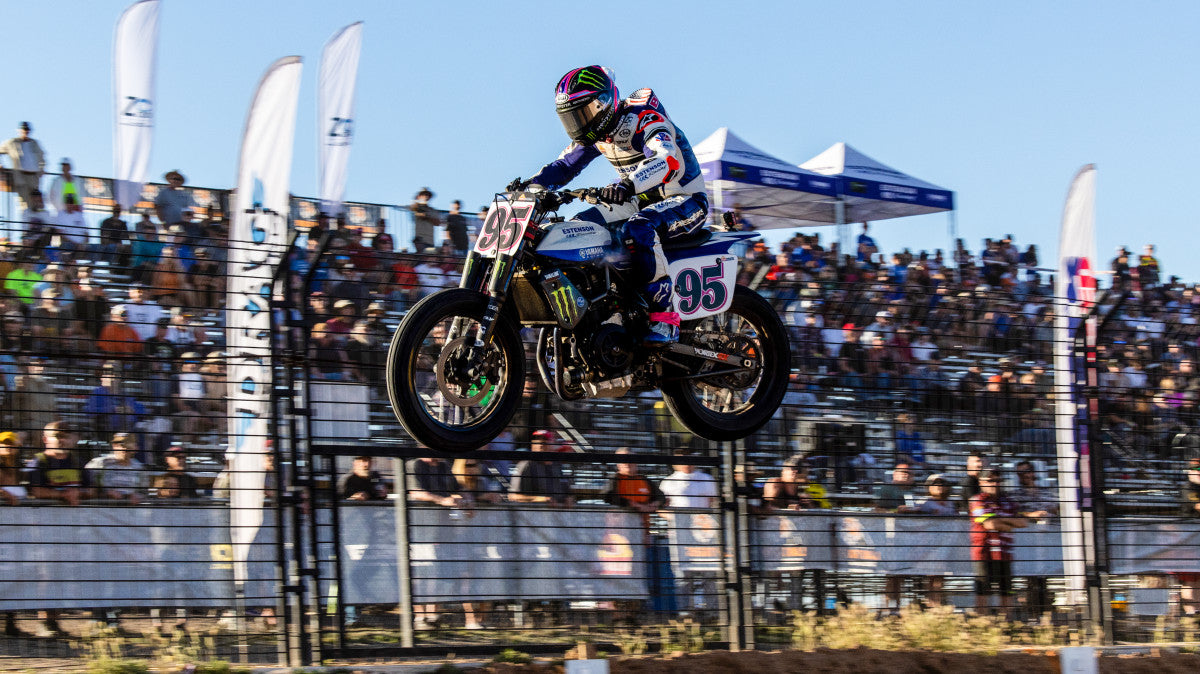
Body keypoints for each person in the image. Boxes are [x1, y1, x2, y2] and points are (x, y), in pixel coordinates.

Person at [517, 65, 707, 346]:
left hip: (684, 199)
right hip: (639, 201)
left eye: (582, 114)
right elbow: (563, 166)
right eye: (571, 118)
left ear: (603, 104)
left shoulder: (643, 119)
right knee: (579, 228)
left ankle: (665, 318)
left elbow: (666, 159)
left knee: (639, 228)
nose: (577, 124)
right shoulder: (598, 136)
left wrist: (627, 185)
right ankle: (609, 307)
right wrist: (526, 190)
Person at [969, 469, 1029, 616]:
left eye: (997, 480)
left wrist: (998, 519)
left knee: (1007, 590)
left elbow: (1023, 522)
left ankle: (1005, 622)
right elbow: (990, 524)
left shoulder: (1007, 501)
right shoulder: (977, 500)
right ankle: (982, 622)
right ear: (981, 482)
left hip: (1005, 552)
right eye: (990, 480)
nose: (995, 484)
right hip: (984, 552)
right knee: (983, 590)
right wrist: (1009, 522)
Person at [29, 421, 90, 505]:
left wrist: (79, 493)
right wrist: (64, 495)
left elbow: (92, 490)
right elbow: (37, 491)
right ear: (45, 439)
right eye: (58, 436)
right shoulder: (39, 462)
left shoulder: (77, 461)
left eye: (67, 437)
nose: (63, 440)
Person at [509, 430, 574, 506]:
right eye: (536, 441)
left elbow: (565, 491)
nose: (539, 445)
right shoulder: (526, 465)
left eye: (544, 442)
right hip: (535, 511)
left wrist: (568, 499)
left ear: (552, 445)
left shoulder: (557, 465)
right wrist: (542, 500)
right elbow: (513, 496)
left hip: (558, 511)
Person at [84, 432, 147, 504]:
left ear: (135, 448)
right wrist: (105, 493)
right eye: (120, 444)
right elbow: (88, 488)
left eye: (128, 445)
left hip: (131, 508)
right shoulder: (99, 464)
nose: (124, 448)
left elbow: (144, 492)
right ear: (114, 446)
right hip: (104, 507)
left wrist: (138, 496)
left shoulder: (139, 468)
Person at [1, 121, 45, 207]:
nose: (25, 132)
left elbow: (42, 157)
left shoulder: (34, 143)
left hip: (34, 177)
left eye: (27, 130)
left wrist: (42, 169)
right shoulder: (12, 142)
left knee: (36, 203)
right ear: (19, 130)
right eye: (23, 130)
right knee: (24, 203)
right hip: (21, 177)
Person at [762, 455, 830, 510]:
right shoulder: (775, 484)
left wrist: (809, 503)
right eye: (791, 468)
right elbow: (767, 506)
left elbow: (813, 511)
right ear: (783, 471)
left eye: (798, 469)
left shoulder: (803, 486)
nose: (794, 472)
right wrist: (788, 510)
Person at [0, 431, 25, 505]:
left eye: (11, 443)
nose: (8, 445)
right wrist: (4, 493)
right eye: (4, 442)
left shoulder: (20, 471)